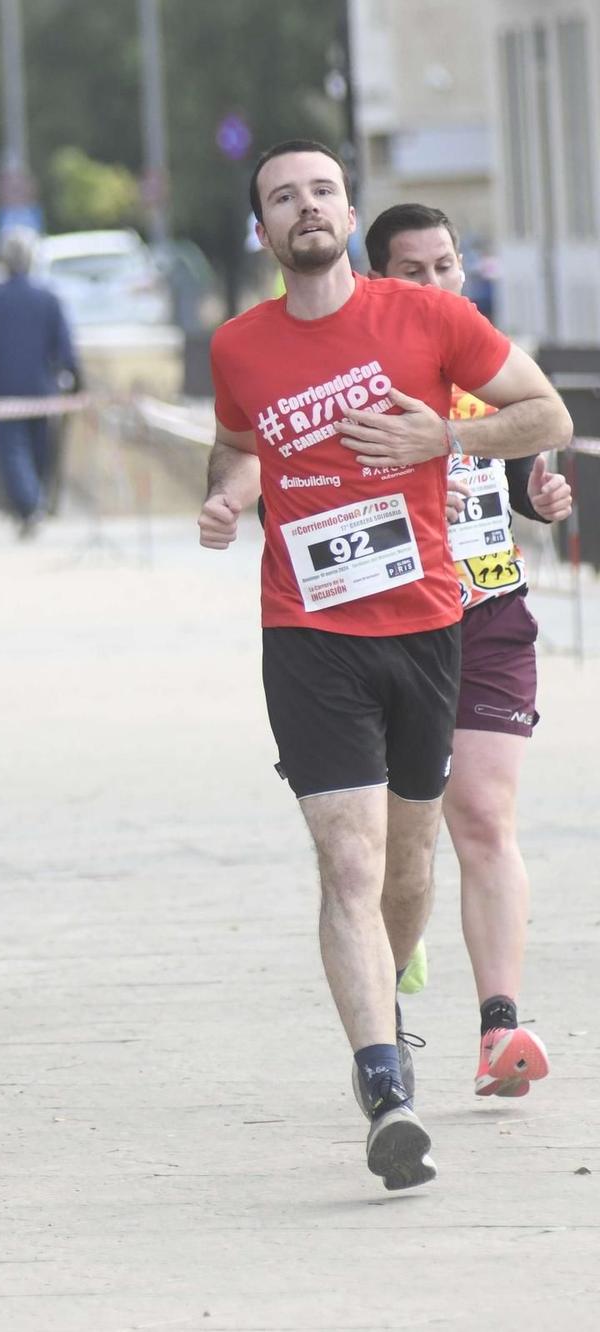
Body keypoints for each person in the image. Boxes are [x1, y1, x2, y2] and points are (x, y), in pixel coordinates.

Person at [198, 140, 570, 1190]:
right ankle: (381, 1088)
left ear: (346, 210)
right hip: (306, 635)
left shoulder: (429, 319)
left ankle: (393, 1017)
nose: (304, 208)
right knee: (348, 863)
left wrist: (443, 444)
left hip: (423, 625)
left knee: (408, 862)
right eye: (282, 198)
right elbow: (236, 439)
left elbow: (546, 414)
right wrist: (225, 493)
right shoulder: (236, 345)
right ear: (261, 231)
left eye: (319, 191)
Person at [364, 202, 573, 1098]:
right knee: (392, 844)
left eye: (447, 264)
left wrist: (538, 498)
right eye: (414, 270)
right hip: (391, 626)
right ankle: (387, 1005)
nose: (437, 284)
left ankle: (499, 1030)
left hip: (491, 612)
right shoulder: (362, 372)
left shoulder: (490, 358)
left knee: (483, 815)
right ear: (378, 280)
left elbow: (526, 449)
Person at [0, 226, 82, 538]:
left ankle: (29, 505)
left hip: (4, 389)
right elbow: (65, 347)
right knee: (39, 450)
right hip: (41, 390)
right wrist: (77, 377)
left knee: (12, 450)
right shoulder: (48, 300)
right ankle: (35, 501)